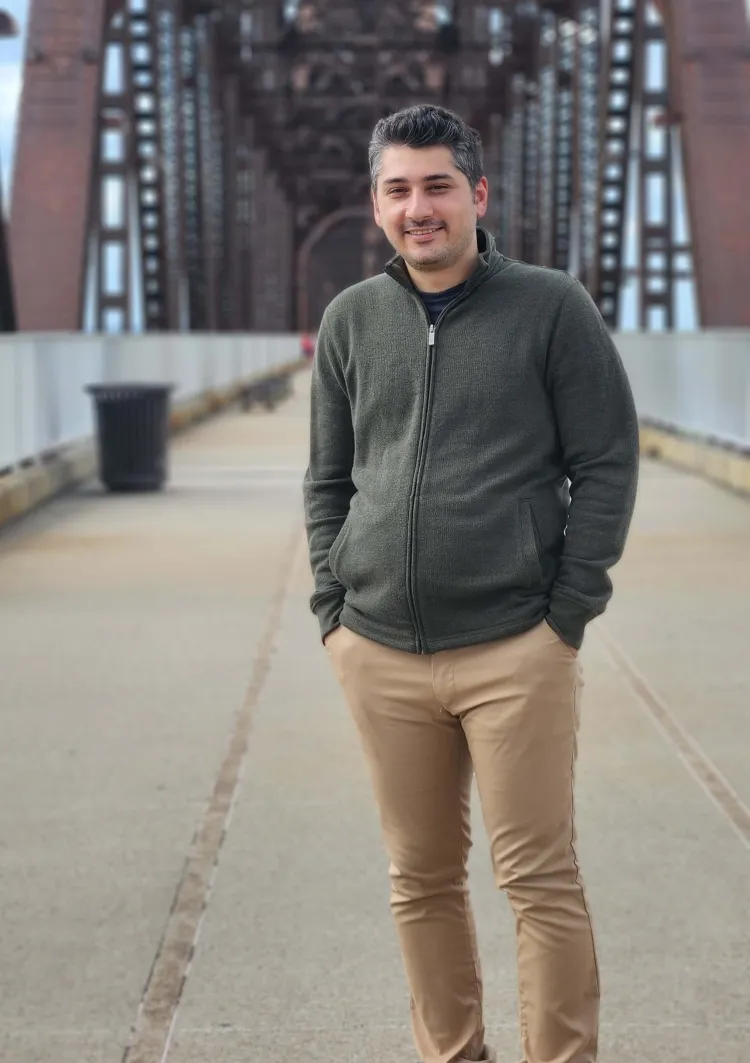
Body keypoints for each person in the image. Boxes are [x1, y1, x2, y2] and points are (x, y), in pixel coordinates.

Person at [302, 104, 639, 1063]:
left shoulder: (551, 306)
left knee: (538, 879)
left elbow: (607, 460)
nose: (420, 207)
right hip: (380, 648)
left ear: (478, 195)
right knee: (419, 879)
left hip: (514, 646)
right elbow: (328, 478)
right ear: (377, 204)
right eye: (399, 189)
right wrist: (333, 610)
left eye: (438, 186)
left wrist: (568, 610)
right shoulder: (351, 319)